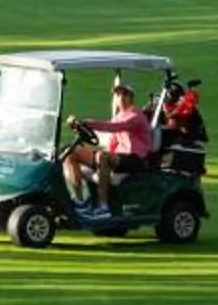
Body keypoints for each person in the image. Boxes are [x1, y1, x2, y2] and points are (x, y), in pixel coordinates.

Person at [64, 79, 153, 211]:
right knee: (70, 153)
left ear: (131, 97)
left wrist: (90, 123)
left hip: (135, 159)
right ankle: (80, 201)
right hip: (117, 157)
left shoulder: (136, 115)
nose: (120, 97)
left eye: (124, 94)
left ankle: (103, 205)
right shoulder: (118, 116)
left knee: (104, 157)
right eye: (118, 95)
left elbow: (115, 127)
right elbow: (113, 141)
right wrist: (80, 127)